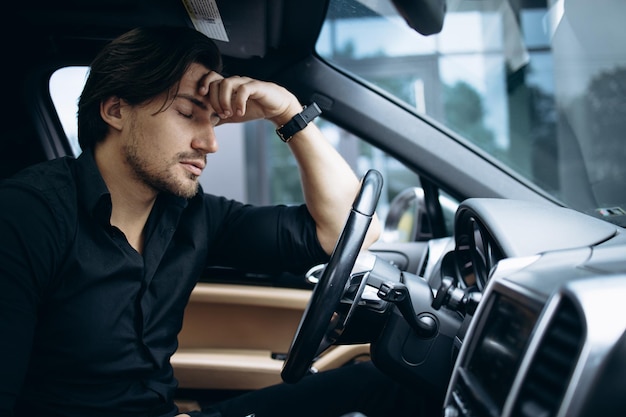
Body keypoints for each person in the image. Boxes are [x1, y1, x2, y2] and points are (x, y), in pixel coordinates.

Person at [0, 26, 431, 417]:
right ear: (115, 110)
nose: (210, 143)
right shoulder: (27, 216)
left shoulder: (190, 213)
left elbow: (348, 231)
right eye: (189, 114)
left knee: (383, 384)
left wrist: (289, 115)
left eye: (216, 121)